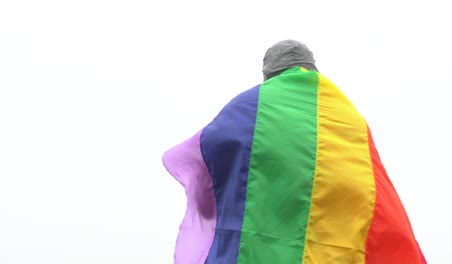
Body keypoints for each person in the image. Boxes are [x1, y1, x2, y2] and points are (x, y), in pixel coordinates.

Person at [162, 39, 427, 264]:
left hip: (264, 232)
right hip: (329, 240)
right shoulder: (344, 111)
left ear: (269, 69)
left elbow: (214, 146)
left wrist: (188, 165)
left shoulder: (252, 105)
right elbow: (367, 183)